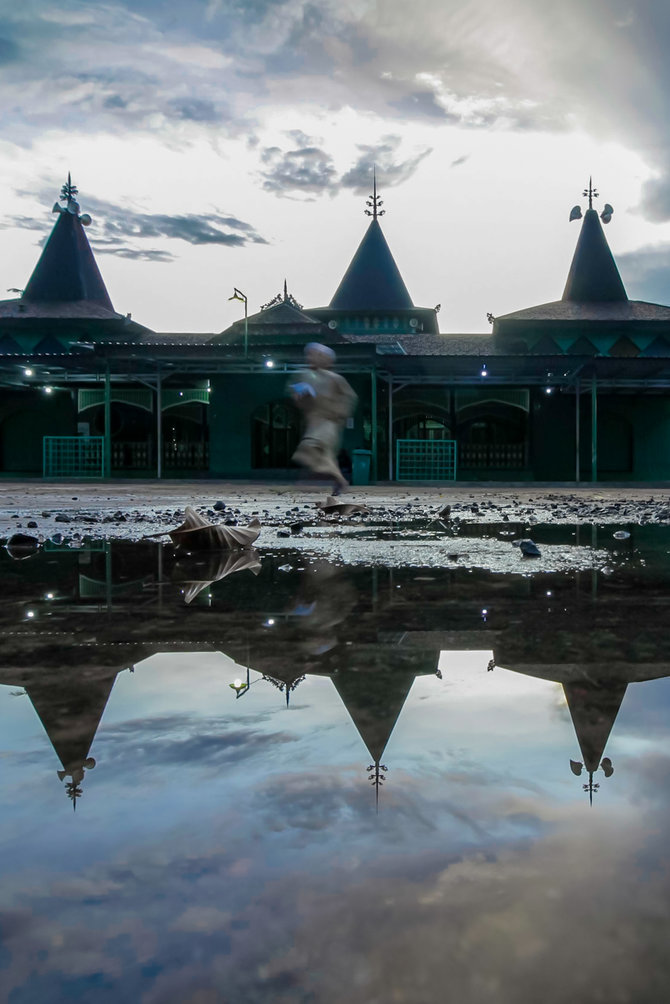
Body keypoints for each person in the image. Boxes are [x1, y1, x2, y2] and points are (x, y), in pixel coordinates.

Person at [288, 343, 357, 494]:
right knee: (321, 455)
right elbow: (299, 400)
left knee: (311, 447)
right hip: (314, 422)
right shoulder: (305, 375)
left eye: (315, 354)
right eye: (309, 354)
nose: (310, 358)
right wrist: (300, 396)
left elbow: (349, 397)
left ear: (326, 359)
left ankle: (320, 479)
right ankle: (339, 480)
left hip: (329, 423)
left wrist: (339, 413)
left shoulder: (335, 378)